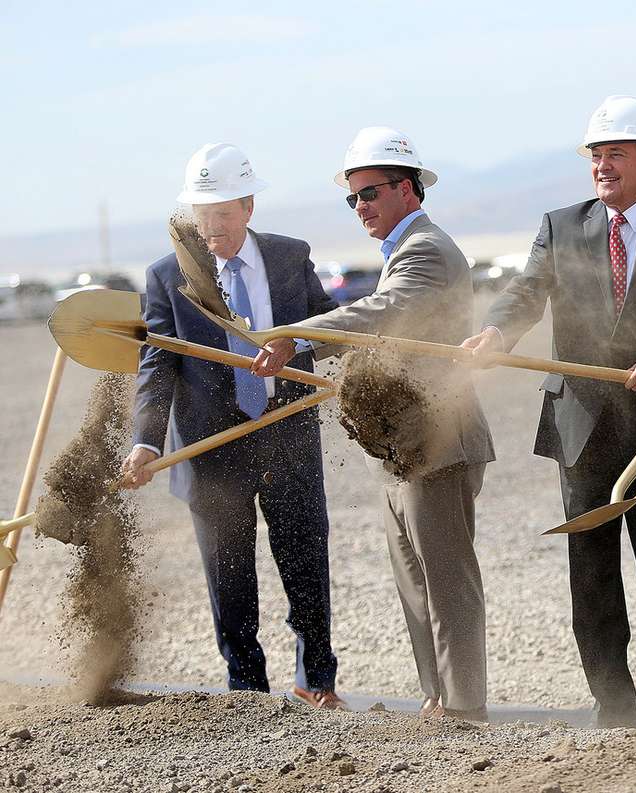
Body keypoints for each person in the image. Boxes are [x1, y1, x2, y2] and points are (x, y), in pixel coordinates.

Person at [462, 96, 636, 733]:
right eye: (596, 154)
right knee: (591, 575)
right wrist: (497, 335)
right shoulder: (560, 227)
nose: (603, 166)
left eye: (616, 154)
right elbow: (526, 293)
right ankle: (614, 708)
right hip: (582, 429)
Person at [252, 126, 496, 721]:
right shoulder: (400, 251)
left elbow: (385, 312)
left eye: (371, 193)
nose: (361, 206)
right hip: (402, 443)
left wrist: (299, 335)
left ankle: (465, 710)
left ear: (409, 190)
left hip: (438, 438)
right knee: (416, 584)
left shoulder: (427, 250)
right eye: (353, 197)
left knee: (446, 582)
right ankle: (438, 700)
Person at [121, 143, 343, 707]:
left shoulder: (291, 257)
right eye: (202, 214)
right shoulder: (167, 276)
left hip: (287, 431)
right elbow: (157, 362)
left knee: (305, 559)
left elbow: (332, 327)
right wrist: (145, 441)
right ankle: (247, 692)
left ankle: (316, 680)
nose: (213, 226)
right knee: (229, 575)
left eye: (223, 212)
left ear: (247, 205)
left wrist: (298, 341)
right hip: (210, 446)